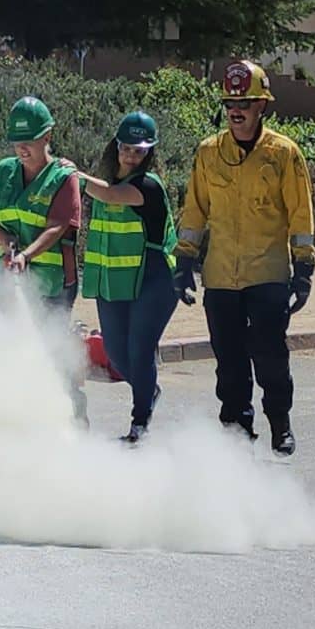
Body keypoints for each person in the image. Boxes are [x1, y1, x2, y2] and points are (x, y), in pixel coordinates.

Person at [174, 60, 315, 456]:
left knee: (270, 356)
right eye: (230, 103)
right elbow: (194, 212)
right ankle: (236, 428)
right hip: (220, 277)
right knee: (230, 362)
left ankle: (280, 424)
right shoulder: (208, 153)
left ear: (261, 107)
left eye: (246, 102)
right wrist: (184, 262)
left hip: (268, 274)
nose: (236, 110)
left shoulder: (284, 154)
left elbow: (300, 214)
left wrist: (303, 268)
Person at [0, 95, 87, 425]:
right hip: (9, 282)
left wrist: (26, 255)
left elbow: (57, 226)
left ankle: (71, 422)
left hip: (54, 283)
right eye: (17, 143)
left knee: (52, 353)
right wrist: (6, 242)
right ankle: (19, 423)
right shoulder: (4, 172)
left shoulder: (62, 177)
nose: (22, 149)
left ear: (48, 136)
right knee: (9, 350)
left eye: (30, 142)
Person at [73, 111, 178, 443]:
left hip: (155, 277)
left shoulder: (147, 185)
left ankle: (140, 423)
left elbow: (111, 196)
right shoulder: (111, 180)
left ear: (149, 152)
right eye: (126, 148)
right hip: (115, 277)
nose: (131, 155)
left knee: (139, 347)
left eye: (139, 150)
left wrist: (74, 175)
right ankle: (149, 390)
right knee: (117, 353)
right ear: (116, 145)